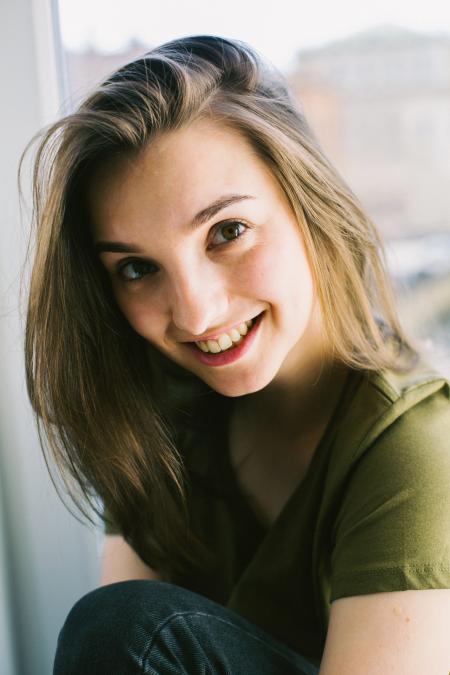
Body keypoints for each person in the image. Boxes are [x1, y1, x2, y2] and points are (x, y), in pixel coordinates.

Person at [24, 35, 450, 674]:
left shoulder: (414, 451)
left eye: (227, 232)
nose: (195, 313)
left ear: (310, 207)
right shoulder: (161, 413)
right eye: (137, 268)